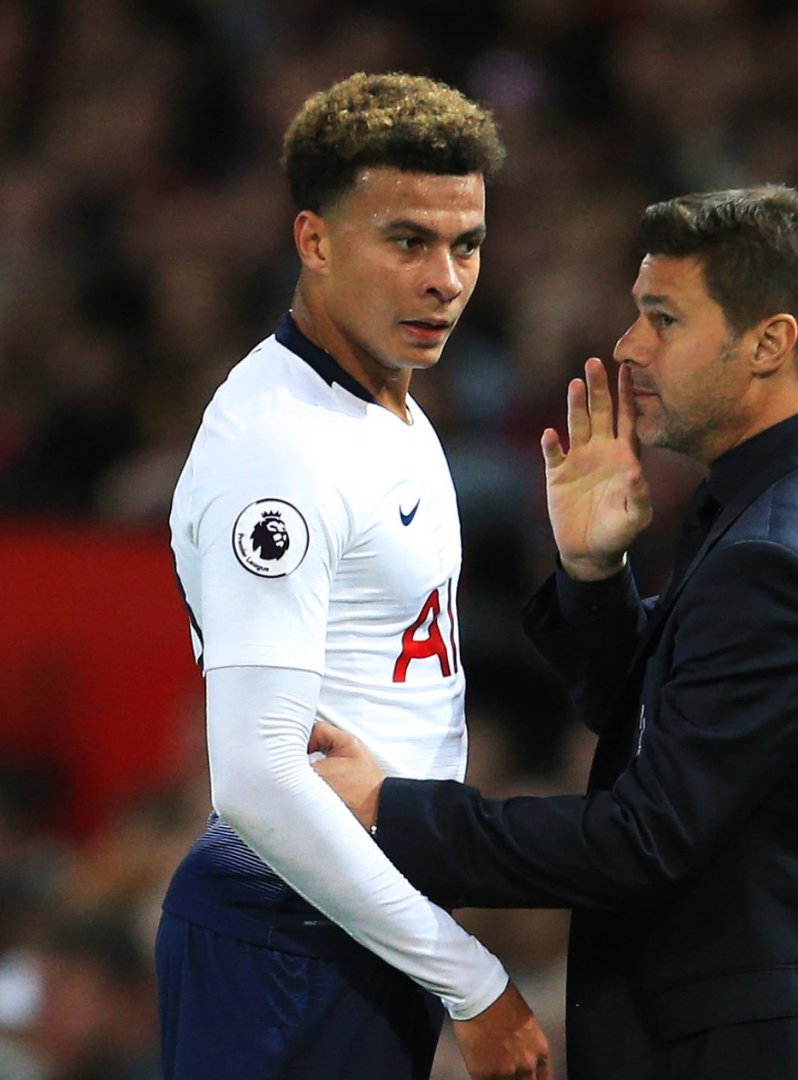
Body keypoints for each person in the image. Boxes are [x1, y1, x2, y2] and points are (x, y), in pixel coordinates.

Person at [310, 185, 798, 1079]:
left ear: (769, 342)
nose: (628, 347)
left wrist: (395, 810)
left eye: (663, 318)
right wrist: (592, 573)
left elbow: (642, 840)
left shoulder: (789, 550)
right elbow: (674, 717)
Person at [159, 71, 550, 1080]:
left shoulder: (395, 410)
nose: (446, 280)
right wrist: (473, 979)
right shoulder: (279, 450)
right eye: (407, 240)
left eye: (466, 244)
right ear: (314, 240)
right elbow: (255, 778)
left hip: (357, 927)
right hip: (285, 937)